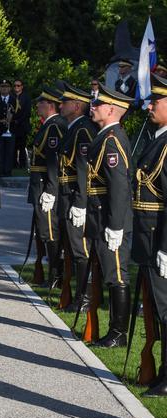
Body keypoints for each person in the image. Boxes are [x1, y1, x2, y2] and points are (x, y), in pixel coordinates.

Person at [85, 83, 134, 348]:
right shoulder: (105, 136)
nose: (93, 107)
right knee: (109, 273)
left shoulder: (112, 140)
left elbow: (118, 187)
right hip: (101, 216)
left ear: (112, 109)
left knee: (117, 274)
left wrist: (115, 226)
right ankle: (115, 330)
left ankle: (118, 333)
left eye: (98, 104)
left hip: (110, 219)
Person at [137, 73, 167, 396]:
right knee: (159, 308)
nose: (149, 106)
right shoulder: (157, 138)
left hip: (160, 238)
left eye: (156, 101)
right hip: (149, 237)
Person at [57, 82, 98, 313]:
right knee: (74, 250)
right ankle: (80, 296)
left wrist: (80, 204)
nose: (61, 105)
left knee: (81, 251)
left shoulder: (82, 130)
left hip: (74, 196)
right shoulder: (75, 127)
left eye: (65, 102)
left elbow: (83, 170)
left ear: (77, 105)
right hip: (67, 194)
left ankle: (84, 299)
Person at [28, 86, 67, 289]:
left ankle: (56, 276)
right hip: (40, 185)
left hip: (46, 186)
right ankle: (53, 274)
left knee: (50, 232)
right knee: (44, 232)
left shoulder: (54, 127)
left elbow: (54, 160)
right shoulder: (49, 125)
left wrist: (51, 191)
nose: (37, 105)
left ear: (50, 105)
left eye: (40, 102)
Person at [0, 79, 17, 177]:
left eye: (6, 86)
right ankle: (0, 172)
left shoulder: (15, 100)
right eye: (2, 86)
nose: (4, 88)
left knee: (9, 152)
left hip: (11, 130)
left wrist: (11, 120)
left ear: (10, 88)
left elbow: (19, 114)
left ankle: (8, 172)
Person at [12, 79, 32, 168]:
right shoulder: (11, 96)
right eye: (15, 85)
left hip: (22, 126)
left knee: (22, 147)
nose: (16, 87)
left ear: (22, 87)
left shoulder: (26, 97)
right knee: (13, 147)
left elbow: (27, 112)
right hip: (12, 126)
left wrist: (18, 121)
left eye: (18, 85)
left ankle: (23, 165)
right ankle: (13, 165)